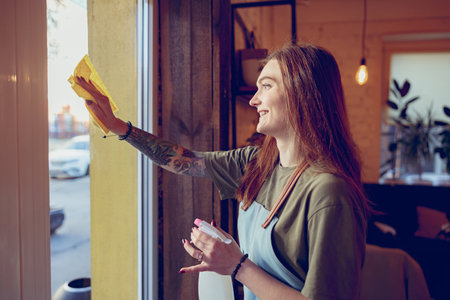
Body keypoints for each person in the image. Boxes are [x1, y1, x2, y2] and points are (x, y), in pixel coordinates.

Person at [76, 43, 369, 300]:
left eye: (266, 86)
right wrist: (119, 128)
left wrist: (237, 265)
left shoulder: (329, 193)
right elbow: (186, 161)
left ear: (301, 92)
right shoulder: (256, 163)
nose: (254, 100)